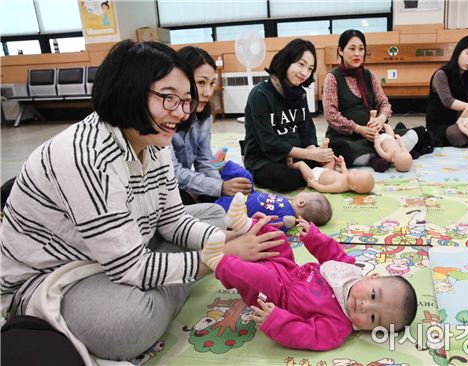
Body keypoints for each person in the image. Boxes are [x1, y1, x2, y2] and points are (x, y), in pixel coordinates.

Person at [0, 40, 283, 362]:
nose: (180, 112)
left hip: (125, 247)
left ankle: (175, 269)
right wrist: (222, 257)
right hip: (56, 276)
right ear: (128, 89)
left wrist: (224, 240)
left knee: (211, 218)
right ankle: (178, 272)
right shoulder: (87, 158)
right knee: (129, 326)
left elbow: (173, 219)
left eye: (186, 101)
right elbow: (129, 267)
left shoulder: (154, 142)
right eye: (168, 98)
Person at [200, 193, 418, 351]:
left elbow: (305, 334)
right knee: (278, 240)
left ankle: (217, 261)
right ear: (372, 278)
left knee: (256, 276)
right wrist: (313, 236)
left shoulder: (337, 328)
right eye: (372, 295)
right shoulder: (351, 271)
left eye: (372, 317)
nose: (364, 305)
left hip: (278, 296)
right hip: (289, 268)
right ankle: (243, 224)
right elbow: (331, 252)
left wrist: (275, 320)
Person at [242, 39, 334, 193]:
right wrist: (311, 155)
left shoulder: (300, 94)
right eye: (301, 64)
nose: (304, 73)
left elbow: (307, 132)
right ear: (286, 61)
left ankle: (308, 170)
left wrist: (317, 152)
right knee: (286, 179)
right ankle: (310, 172)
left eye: (310, 68)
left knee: (335, 152)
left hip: (296, 155)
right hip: (264, 159)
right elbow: (268, 143)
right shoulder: (260, 94)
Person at [322, 29, 419, 172]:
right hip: (347, 137)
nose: (357, 53)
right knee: (341, 150)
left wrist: (381, 119)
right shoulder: (332, 77)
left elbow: (384, 104)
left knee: (418, 133)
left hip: (374, 135)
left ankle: (382, 154)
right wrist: (359, 129)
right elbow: (331, 115)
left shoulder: (369, 75)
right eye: (352, 48)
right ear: (340, 51)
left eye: (361, 49)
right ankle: (393, 152)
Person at [172, 46, 252, 205]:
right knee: (183, 201)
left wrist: (220, 192)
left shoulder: (204, 117)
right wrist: (220, 187)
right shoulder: (167, 117)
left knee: (237, 182)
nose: (208, 92)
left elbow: (205, 162)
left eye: (212, 83)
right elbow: (173, 172)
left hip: (187, 180)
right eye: (201, 82)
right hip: (169, 185)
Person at [287, 138, 375, 194]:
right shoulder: (348, 179)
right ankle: (323, 150)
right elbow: (344, 170)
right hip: (326, 170)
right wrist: (342, 162)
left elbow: (323, 188)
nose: (355, 171)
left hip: (315, 177)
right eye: (358, 171)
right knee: (332, 159)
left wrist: (313, 184)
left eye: (356, 174)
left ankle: (291, 165)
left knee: (302, 164)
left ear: (353, 187)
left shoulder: (340, 186)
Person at [216, 191, 332, 232]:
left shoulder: (288, 217)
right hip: (241, 198)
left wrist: (288, 223)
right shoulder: (288, 203)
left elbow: (273, 226)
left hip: (239, 210)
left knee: (216, 214)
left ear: (301, 203)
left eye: (305, 193)